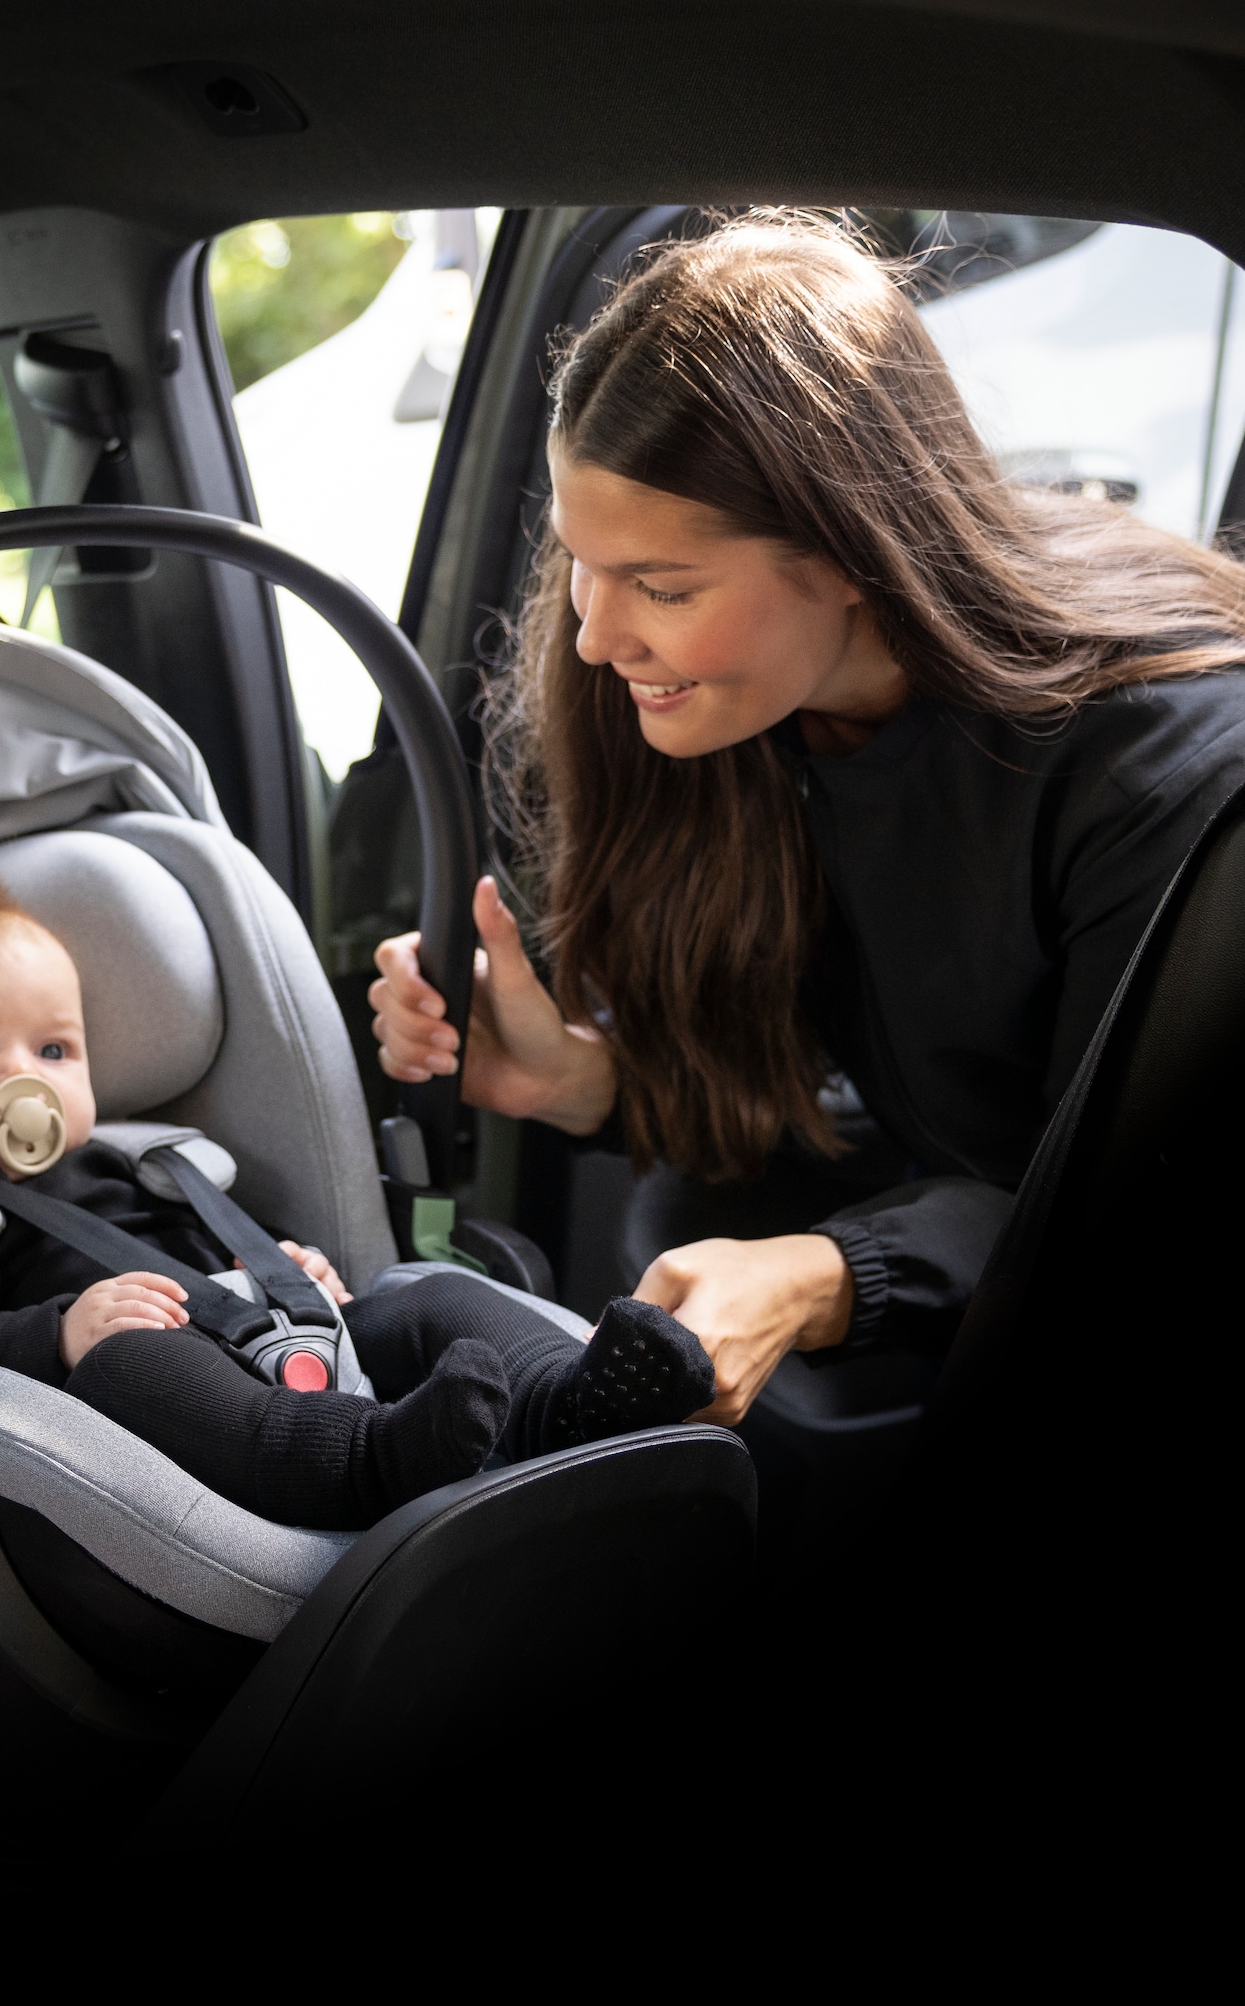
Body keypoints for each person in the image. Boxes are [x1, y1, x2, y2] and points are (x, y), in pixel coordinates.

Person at [371, 212, 1245, 1425]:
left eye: (662, 588)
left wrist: (834, 1272)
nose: (593, 634)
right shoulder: (745, 713)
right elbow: (851, 1096)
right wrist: (579, 1081)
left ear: (846, 552)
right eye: (580, 561)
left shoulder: (1161, 773)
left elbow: (1112, 1194)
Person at [0, 881, 715, 1530]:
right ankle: (365, 1459)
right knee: (131, 1366)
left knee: (430, 1303)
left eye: (54, 1047)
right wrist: (61, 1335)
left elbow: (215, 1242)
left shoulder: (144, 1163)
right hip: (142, 1386)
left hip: (270, 1328)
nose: (20, 1075)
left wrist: (284, 1268)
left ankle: (561, 1399)